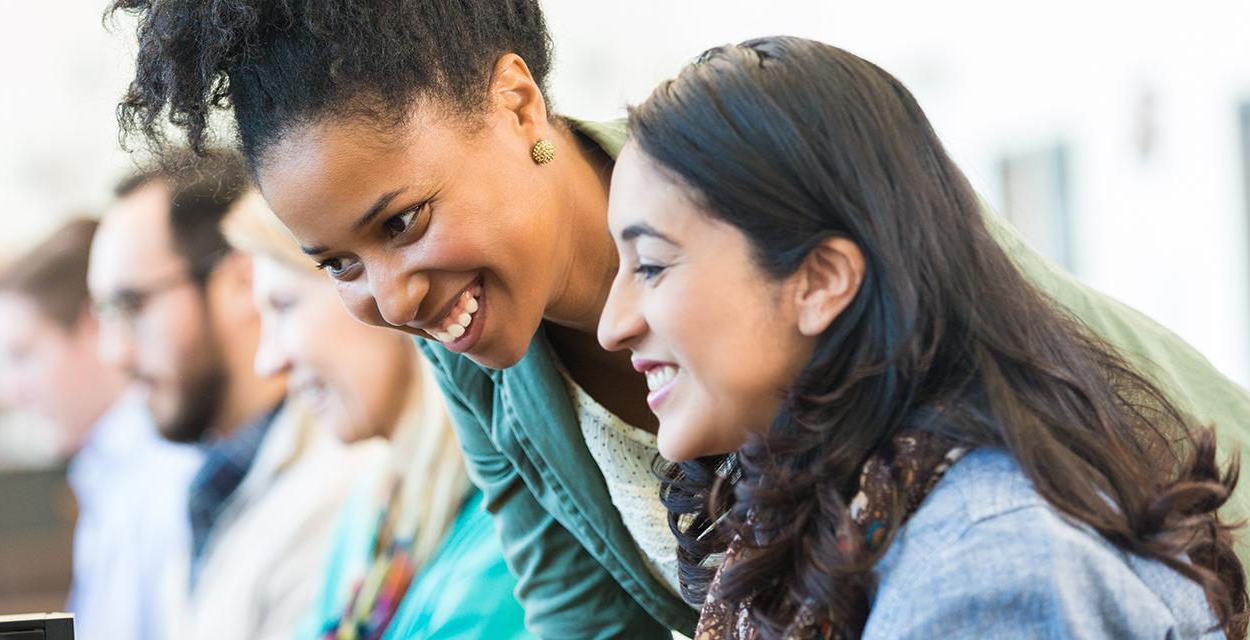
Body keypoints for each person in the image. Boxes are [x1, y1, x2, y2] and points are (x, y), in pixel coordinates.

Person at [109, 2, 1250, 636]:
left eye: (403, 222)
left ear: (517, 104)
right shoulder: (483, 355)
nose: (391, 301)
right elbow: (582, 620)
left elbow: (1035, 470)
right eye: (335, 264)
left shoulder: (787, 199)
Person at [599, 36, 1246, 638]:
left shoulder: (981, 571)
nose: (611, 325)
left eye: (651, 265)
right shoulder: (854, 520)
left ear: (822, 280)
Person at [88, 151, 372, 640]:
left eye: (132, 306)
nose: (114, 352)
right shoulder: (212, 481)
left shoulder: (337, 491)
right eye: (104, 314)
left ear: (241, 282)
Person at [221, 192, 529, 639]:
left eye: (284, 305)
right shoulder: (372, 511)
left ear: (375, 288)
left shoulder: (509, 524)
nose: (268, 362)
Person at [0, 219, 201, 640]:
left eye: (21, 355)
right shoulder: (109, 472)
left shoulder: (163, 476)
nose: (6, 391)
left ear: (93, 327)